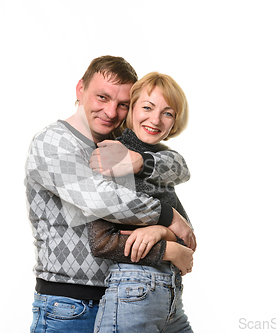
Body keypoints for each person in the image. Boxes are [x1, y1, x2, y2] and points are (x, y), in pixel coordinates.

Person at [25, 56, 195, 333]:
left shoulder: (119, 144)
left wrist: (141, 161)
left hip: (123, 297)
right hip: (70, 304)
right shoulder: (54, 142)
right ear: (80, 89)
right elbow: (101, 201)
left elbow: (179, 168)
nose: (110, 111)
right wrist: (167, 227)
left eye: (122, 104)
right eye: (102, 97)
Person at [89, 72, 194, 333]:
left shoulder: (161, 162)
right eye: (147, 107)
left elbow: (188, 237)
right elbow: (101, 242)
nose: (156, 119)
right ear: (131, 108)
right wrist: (166, 247)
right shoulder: (111, 156)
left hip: (170, 297)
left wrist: (160, 229)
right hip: (133, 291)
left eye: (168, 113)